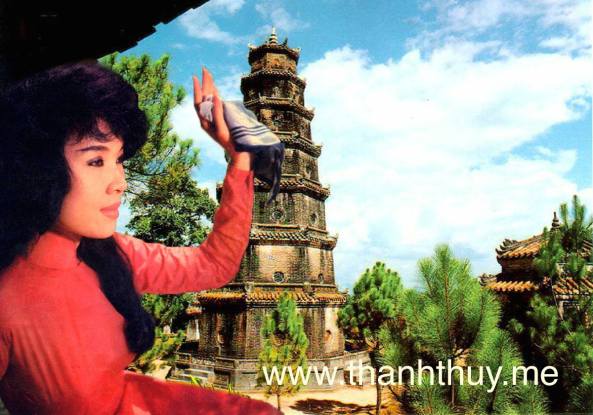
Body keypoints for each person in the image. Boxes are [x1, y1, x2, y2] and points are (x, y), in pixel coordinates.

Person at [0, 62, 281, 414]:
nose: (120, 183)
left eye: (119, 160)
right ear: (36, 170)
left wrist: (240, 159)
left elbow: (213, 265)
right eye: (96, 161)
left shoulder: (111, 254)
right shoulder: (6, 297)